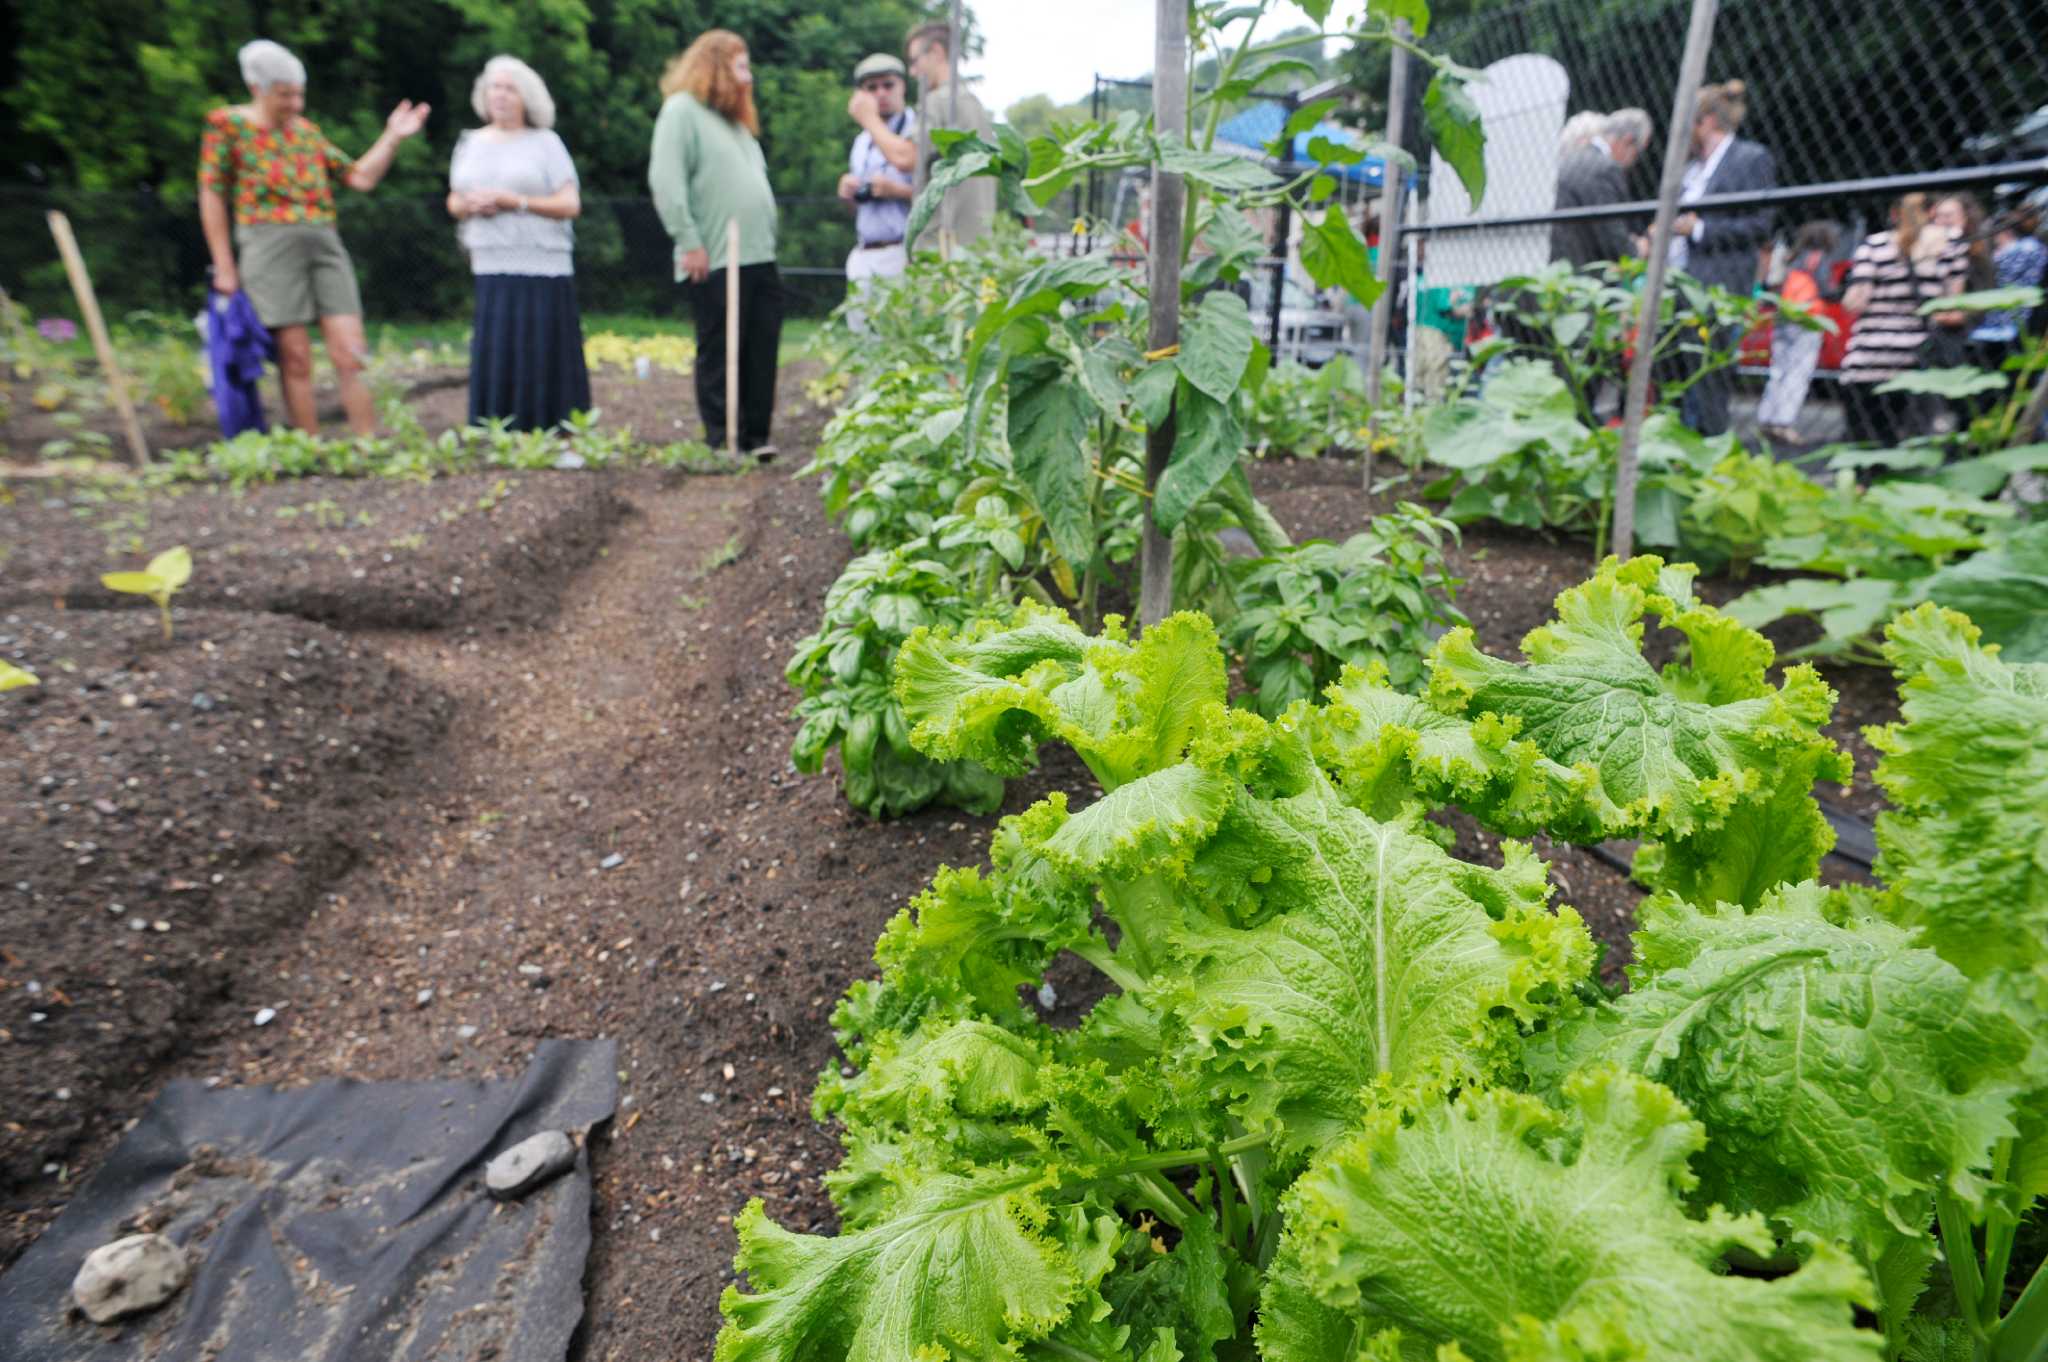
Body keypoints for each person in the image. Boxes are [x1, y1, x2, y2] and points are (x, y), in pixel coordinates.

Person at [198, 39, 430, 437]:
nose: (295, 104)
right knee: (296, 355)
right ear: (257, 89)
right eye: (284, 95)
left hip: (324, 242)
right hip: (266, 243)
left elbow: (359, 177)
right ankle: (310, 450)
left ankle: (366, 445)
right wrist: (224, 263)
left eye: (299, 94)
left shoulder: (306, 132)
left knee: (351, 351)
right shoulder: (227, 126)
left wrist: (392, 137)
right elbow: (212, 193)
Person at [649, 30, 783, 459]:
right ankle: (722, 438)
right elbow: (666, 182)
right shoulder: (681, 112)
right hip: (716, 255)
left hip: (760, 255)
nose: (749, 77)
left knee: (761, 348)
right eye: (741, 66)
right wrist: (689, 241)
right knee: (721, 350)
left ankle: (756, 437)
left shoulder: (737, 124)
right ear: (717, 66)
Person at [446, 56, 590, 432]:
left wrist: (517, 202)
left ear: (527, 97)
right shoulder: (470, 143)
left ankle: (551, 425)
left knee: (540, 346)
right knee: (499, 346)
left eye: (510, 88)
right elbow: (453, 200)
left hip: (543, 263)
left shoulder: (546, 143)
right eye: (495, 87)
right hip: (490, 260)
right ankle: (496, 426)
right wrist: (469, 205)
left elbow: (570, 204)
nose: (501, 95)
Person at [1667, 80, 1776, 436]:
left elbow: (1760, 225)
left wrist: (1698, 230)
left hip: (1719, 286)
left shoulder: (1751, 159)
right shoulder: (1692, 169)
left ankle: (1709, 454)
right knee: (1676, 374)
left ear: (1707, 121)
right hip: (1679, 283)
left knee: (1709, 382)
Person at [1839, 193, 1968, 447]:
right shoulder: (1951, 245)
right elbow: (1953, 306)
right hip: (1917, 360)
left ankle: (1864, 485)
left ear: (1894, 214)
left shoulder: (1874, 245)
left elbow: (1855, 302)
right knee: (1913, 446)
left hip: (1869, 357)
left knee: (1867, 445)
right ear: (1932, 212)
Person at [905, 22, 996, 253]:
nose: (912, 72)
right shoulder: (974, 104)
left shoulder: (936, 101)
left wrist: (869, 120)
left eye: (915, 61)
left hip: (943, 247)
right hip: (978, 245)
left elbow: (908, 157)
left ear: (936, 52)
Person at [838, 54, 918, 306]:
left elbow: (942, 196)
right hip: (864, 252)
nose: (881, 93)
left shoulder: (917, 129)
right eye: (871, 88)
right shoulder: (861, 141)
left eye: (888, 85)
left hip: (902, 252)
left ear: (903, 86)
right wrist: (848, 194)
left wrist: (896, 190)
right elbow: (855, 209)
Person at [1756, 220, 1841, 445]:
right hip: (1806, 318)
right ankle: (1784, 423)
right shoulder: (1817, 257)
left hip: (1784, 315)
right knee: (1798, 372)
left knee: (1778, 370)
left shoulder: (1791, 257)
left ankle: (1767, 418)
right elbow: (1825, 289)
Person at [1551, 108, 1650, 270]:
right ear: (1628, 140)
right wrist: (1638, 248)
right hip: (1587, 273)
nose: (1633, 162)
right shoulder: (1605, 168)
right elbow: (1612, 237)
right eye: (1636, 153)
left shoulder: (1570, 160)